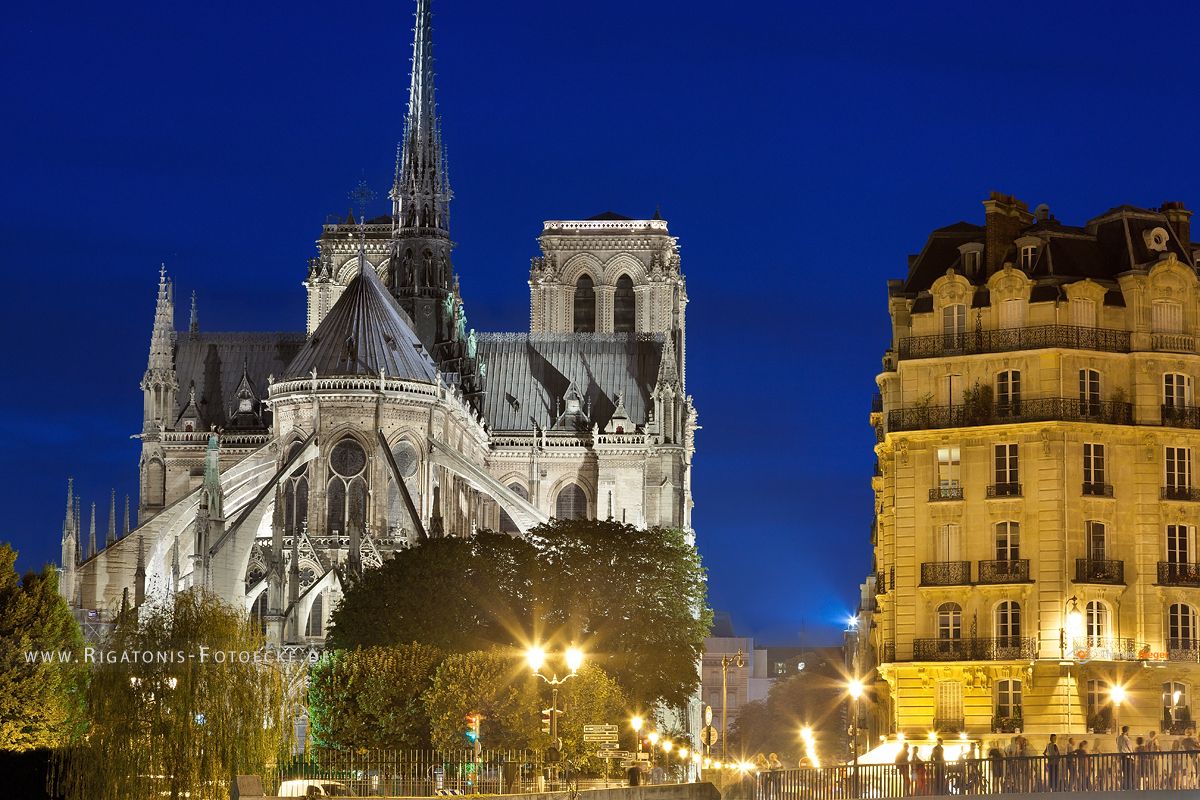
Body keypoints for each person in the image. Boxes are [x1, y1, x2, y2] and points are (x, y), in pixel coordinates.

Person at [1117, 725, 1134, 789]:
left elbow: (1118, 747)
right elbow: (1130, 748)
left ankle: (1124, 786)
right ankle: (1129, 786)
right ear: (1127, 731)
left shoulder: (1119, 738)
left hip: (1122, 756)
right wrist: (1133, 755)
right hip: (1128, 756)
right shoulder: (1126, 738)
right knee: (1129, 772)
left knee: (1124, 772)